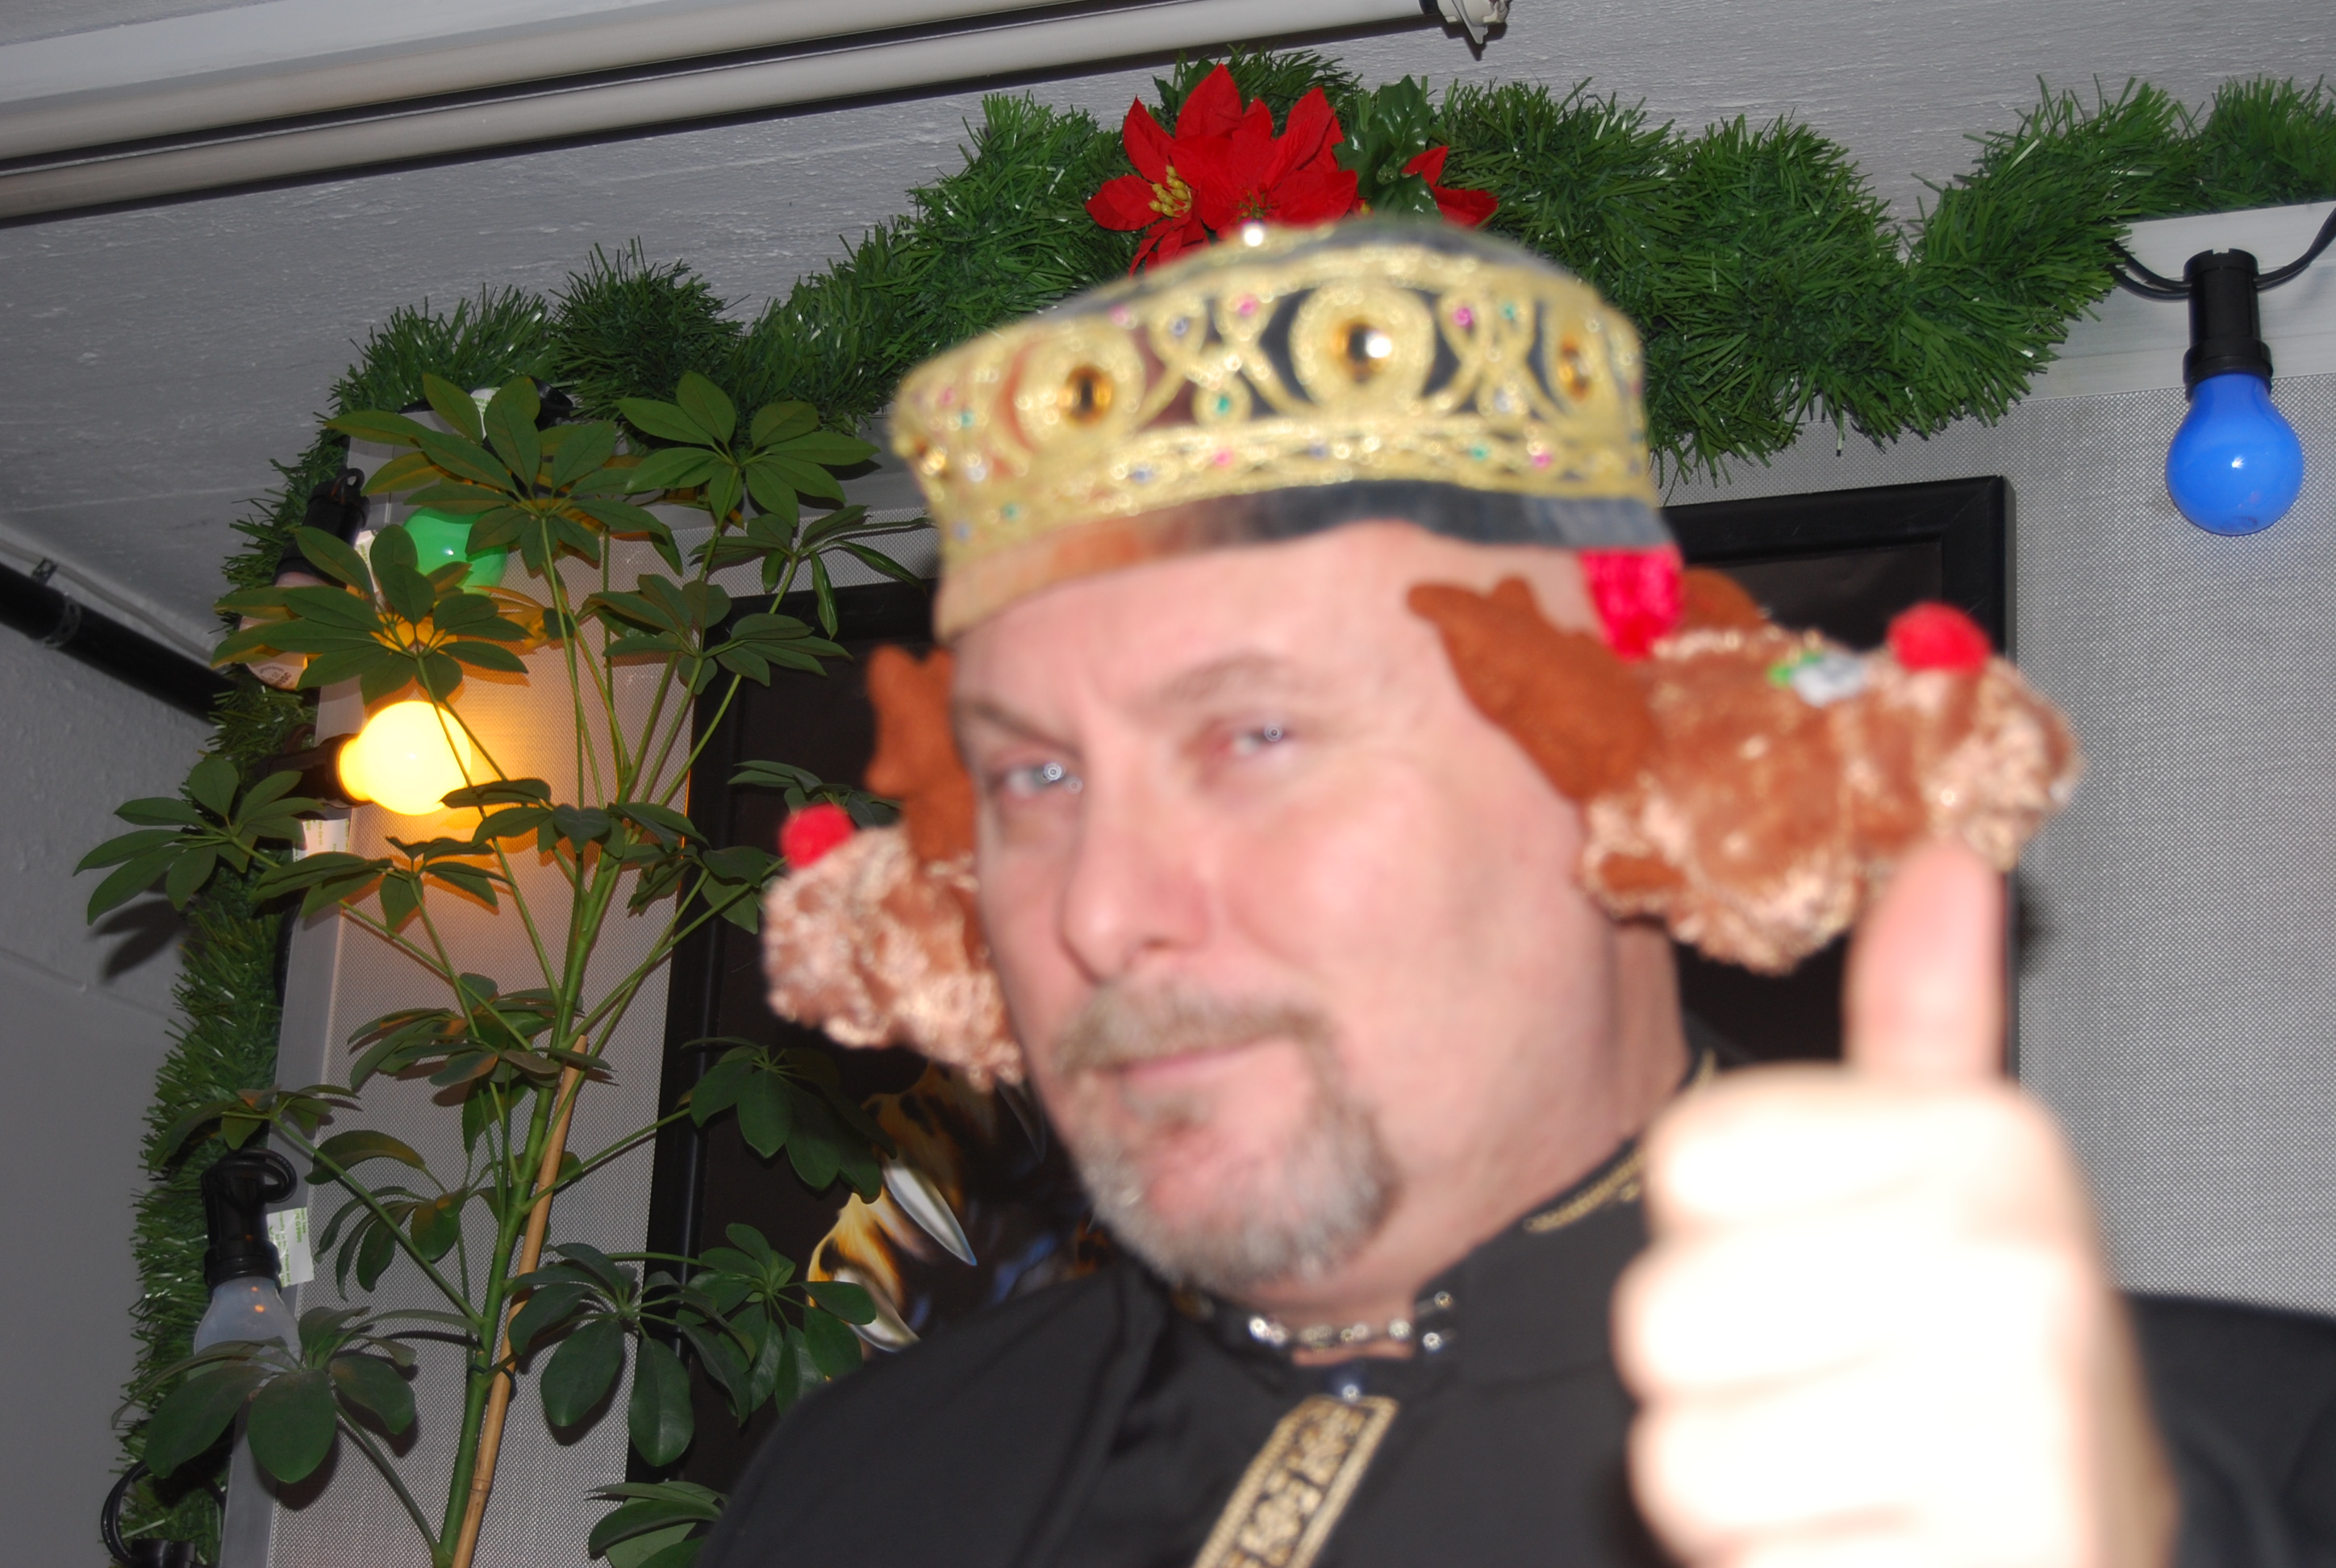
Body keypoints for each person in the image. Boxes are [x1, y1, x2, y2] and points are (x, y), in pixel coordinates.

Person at [707, 220, 2321, 1568]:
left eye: (1256, 734)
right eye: (1034, 780)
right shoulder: (852, 1488)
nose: (1096, 914)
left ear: (1632, 758)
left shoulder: (2248, 1475)